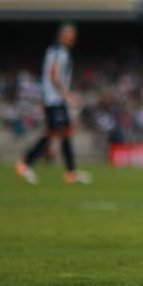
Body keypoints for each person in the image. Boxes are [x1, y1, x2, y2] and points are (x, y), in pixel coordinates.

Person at [15, 23, 91, 185]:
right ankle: (25, 163)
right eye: (69, 35)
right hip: (54, 99)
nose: (72, 38)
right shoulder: (58, 52)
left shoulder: (56, 51)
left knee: (65, 133)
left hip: (56, 99)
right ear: (61, 35)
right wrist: (66, 95)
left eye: (73, 35)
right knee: (52, 133)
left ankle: (71, 172)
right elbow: (53, 75)